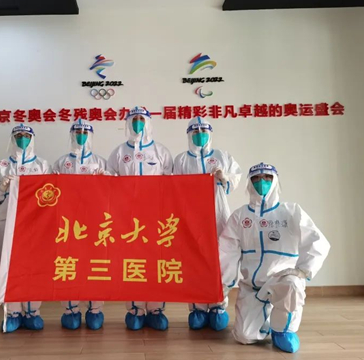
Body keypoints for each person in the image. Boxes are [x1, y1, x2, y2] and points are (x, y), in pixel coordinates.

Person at [219, 163, 330, 353]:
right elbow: (227, 251)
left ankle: (283, 330)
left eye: (267, 178)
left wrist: (303, 270)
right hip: (252, 286)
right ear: (249, 183)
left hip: (281, 280)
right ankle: (267, 317)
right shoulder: (240, 216)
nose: (261, 182)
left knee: (292, 286)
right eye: (256, 178)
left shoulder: (291, 212)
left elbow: (317, 240)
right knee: (244, 336)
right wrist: (224, 284)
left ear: (275, 181)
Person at [107, 106, 173, 331]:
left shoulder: (161, 152)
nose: (138, 123)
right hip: (127, 218)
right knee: (131, 262)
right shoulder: (118, 152)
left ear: (149, 122)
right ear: (127, 123)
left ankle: (156, 309)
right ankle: (135, 309)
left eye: (141, 119)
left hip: (155, 217)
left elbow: (172, 185)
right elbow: (108, 184)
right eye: (133, 119)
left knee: (156, 261)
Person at [173, 117, 242, 331]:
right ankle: (197, 307)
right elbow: (174, 188)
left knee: (221, 258)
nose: (199, 134)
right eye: (195, 131)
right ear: (188, 134)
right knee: (193, 259)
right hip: (192, 217)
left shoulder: (222, 156)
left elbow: (235, 177)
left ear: (210, 133)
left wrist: (224, 177)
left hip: (218, 213)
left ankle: (218, 305)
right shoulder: (181, 160)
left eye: (203, 130)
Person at [0, 124, 51, 333]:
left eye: (27, 135)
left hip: (35, 224)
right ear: (12, 139)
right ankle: (12, 313)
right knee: (8, 267)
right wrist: (2, 186)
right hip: (7, 223)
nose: (23, 139)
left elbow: (50, 194)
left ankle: (32, 312)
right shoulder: (0, 167)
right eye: (19, 135)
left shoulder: (42, 165)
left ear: (33, 138)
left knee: (34, 267)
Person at [53, 120, 107, 330]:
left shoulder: (100, 162)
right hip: (67, 222)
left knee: (94, 264)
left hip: (94, 221)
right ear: (71, 134)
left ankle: (95, 309)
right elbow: (50, 190)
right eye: (77, 131)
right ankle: (70, 309)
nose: (81, 134)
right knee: (69, 264)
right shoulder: (61, 162)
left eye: (85, 132)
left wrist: (106, 178)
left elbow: (115, 190)